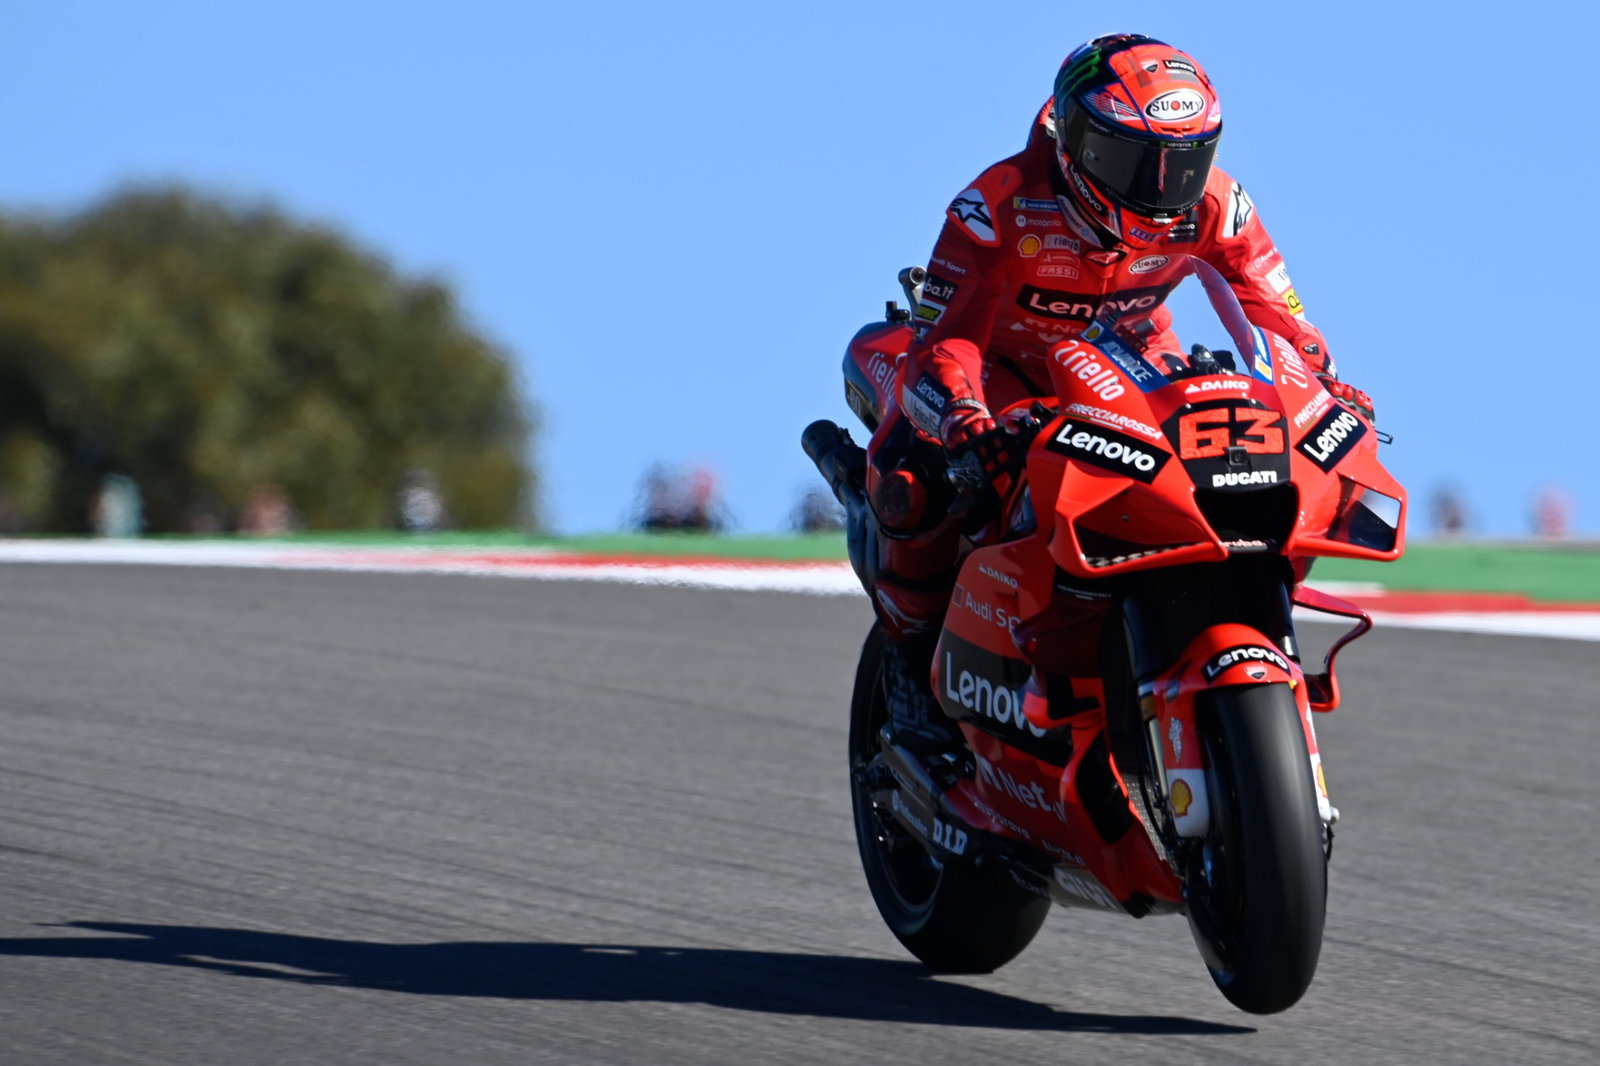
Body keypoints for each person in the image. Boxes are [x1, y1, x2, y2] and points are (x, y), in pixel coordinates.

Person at [864, 33, 1373, 749]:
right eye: (1134, 161)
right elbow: (942, 343)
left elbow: (1276, 315)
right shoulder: (995, 204)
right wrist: (965, 419)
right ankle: (911, 677)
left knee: (1244, 463)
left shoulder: (1220, 207)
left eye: (1185, 162)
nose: (1161, 188)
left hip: (1134, 365)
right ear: (1075, 142)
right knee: (913, 478)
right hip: (1002, 376)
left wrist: (1319, 384)